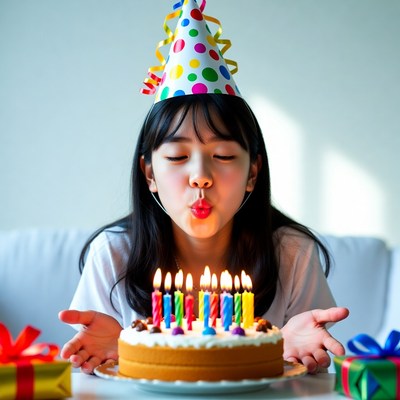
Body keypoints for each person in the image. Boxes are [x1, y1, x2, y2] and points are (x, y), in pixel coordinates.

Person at [58, 0, 349, 376]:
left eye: (224, 156)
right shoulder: (113, 255)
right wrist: (119, 351)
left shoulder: (292, 254)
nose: (200, 177)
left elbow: (317, 372)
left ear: (253, 173)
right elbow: (87, 379)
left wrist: (296, 355)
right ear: (149, 173)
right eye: (178, 158)